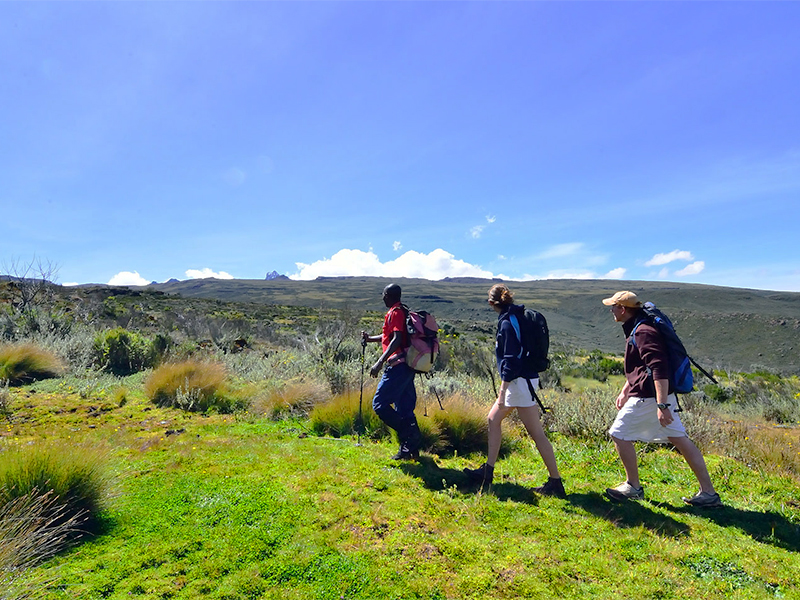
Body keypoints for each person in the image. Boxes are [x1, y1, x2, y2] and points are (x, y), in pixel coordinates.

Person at [602, 290, 722, 507]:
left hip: (649, 397)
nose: (610, 310)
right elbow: (641, 367)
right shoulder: (639, 328)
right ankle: (709, 494)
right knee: (679, 438)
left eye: (613, 306)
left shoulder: (642, 332)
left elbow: (658, 368)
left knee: (618, 433)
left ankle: (633, 486)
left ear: (622, 309)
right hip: (656, 396)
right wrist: (625, 390)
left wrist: (662, 405)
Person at [463, 284, 565, 497]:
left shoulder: (508, 323)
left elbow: (510, 360)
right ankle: (489, 471)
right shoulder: (517, 317)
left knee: (533, 432)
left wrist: (502, 391)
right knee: (497, 420)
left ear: (492, 303)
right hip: (526, 381)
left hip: (519, 383)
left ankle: (555, 482)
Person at [361, 283, 421, 460]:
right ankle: (410, 450)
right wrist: (370, 339)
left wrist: (379, 362)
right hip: (407, 366)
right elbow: (390, 336)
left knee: (379, 405)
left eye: (384, 294)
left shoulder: (396, 312)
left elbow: (397, 339)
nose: (382, 297)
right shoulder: (400, 311)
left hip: (398, 366)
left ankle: (409, 434)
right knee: (404, 408)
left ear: (389, 295)